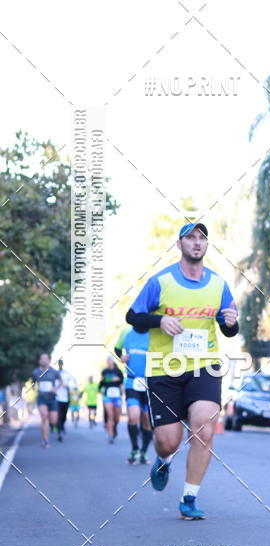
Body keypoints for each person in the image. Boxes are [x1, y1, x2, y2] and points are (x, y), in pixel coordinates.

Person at [125, 222, 239, 520]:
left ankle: (189, 497)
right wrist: (159, 321)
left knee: (204, 425)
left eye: (202, 238)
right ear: (179, 245)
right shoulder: (160, 282)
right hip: (164, 368)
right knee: (168, 441)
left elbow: (230, 329)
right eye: (190, 237)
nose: (197, 243)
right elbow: (133, 317)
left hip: (204, 366)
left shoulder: (218, 284)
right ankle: (163, 460)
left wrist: (230, 322)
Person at [114, 326, 153, 464]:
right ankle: (135, 448)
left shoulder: (153, 331)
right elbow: (117, 348)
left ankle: (144, 451)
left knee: (147, 420)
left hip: (149, 382)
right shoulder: (126, 332)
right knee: (133, 417)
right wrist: (121, 357)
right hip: (131, 381)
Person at [32, 352, 61, 448]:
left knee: (53, 420)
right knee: (44, 416)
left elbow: (61, 382)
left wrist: (55, 389)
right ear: (39, 361)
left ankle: (50, 425)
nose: (44, 360)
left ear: (49, 360)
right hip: (42, 398)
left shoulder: (54, 371)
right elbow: (33, 383)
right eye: (42, 358)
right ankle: (45, 440)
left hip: (52, 399)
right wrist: (34, 388)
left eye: (46, 358)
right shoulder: (36, 372)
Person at [98, 357, 124, 443]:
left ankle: (114, 427)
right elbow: (101, 382)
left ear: (113, 361)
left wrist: (122, 394)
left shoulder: (118, 371)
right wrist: (100, 388)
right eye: (107, 360)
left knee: (116, 417)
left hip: (117, 395)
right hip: (107, 395)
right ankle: (110, 436)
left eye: (110, 360)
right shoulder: (104, 371)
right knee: (110, 415)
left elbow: (121, 383)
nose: (109, 362)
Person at [55, 358, 74, 440]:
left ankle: (62, 425)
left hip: (65, 398)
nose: (60, 365)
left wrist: (67, 386)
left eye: (61, 363)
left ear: (63, 364)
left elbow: (71, 384)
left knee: (64, 415)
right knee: (58, 415)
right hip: (57, 398)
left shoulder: (67, 374)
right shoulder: (55, 374)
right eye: (59, 363)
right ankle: (59, 433)